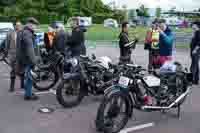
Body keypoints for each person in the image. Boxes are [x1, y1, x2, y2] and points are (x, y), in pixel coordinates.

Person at [16, 17, 40, 100]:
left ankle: (28, 92)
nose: (35, 27)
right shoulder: (27, 33)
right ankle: (28, 95)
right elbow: (30, 49)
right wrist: (34, 62)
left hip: (24, 59)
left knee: (28, 76)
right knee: (30, 77)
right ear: (30, 24)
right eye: (35, 25)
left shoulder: (22, 32)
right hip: (28, 59)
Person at [5, 21, 24, 92]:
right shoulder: (10, 33)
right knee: (13, 70)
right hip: (13, 55)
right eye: (17, 25)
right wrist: (5, 54)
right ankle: (11, 87)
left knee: (22, 70)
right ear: (14, 26)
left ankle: (22, 84)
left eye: (20, 25)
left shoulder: (23, 33)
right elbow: (7, 44)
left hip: (21, 55)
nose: (19, 26)